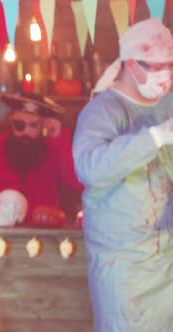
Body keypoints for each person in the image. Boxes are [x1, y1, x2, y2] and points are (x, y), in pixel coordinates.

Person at [73, 18, 173, 332]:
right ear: (131, 65)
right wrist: (155, 137)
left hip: (166, 258)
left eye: (169, 65)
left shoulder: (167, 105)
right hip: (123, 264)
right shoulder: (103, 111)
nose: (164, 74)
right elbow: (88, 167)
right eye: (155, 66)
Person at [0, 93, 83, 226]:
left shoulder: (54, 150)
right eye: (19, 125)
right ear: (11, 121)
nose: (25, 132)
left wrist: (59, 137)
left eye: (33, 125)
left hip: (43, 231)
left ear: (44, 125)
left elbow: (77, 182)